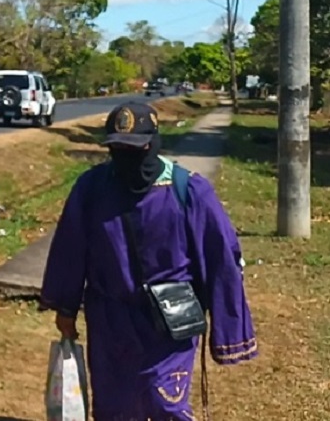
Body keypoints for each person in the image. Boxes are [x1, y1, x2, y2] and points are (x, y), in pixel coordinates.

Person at [39, 101, 258, 420]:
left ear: (153, 144)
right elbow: (70, 249)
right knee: (115, 408)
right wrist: (66, 309)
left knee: (165, 404)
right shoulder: (92, 189)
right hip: (109, 325)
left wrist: (228, 327)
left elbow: (221, 259)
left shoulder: (190, 192)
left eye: (135, 149)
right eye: (117, 149)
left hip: (170, 326)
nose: (125, 158)